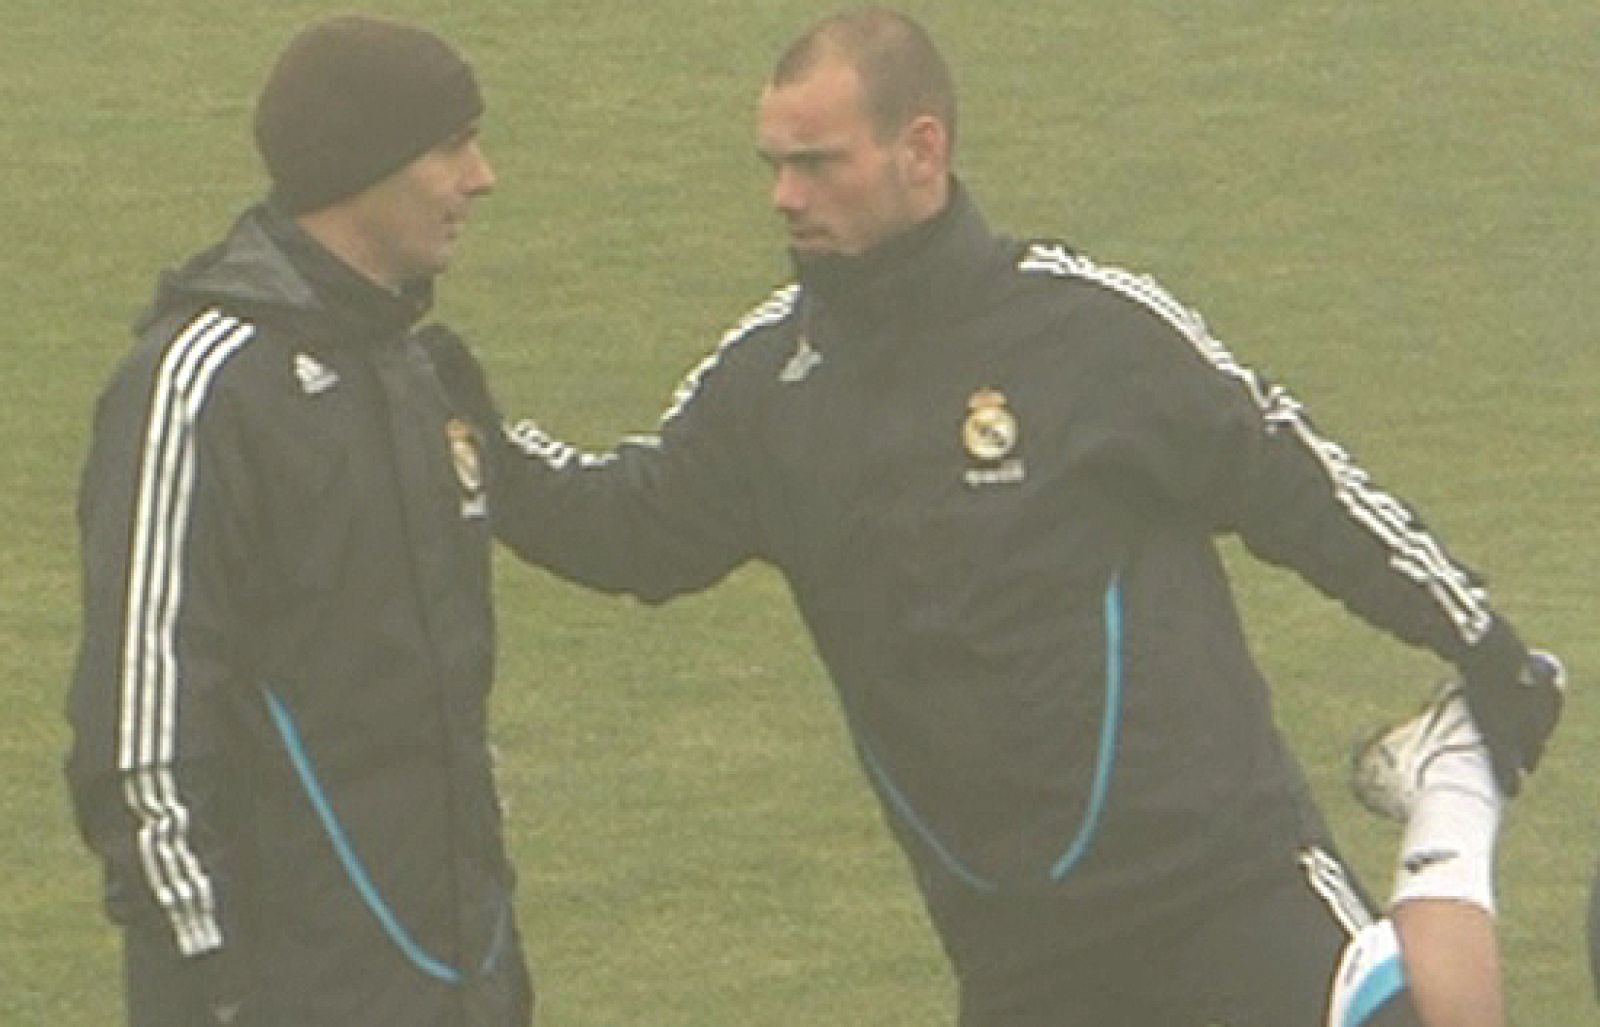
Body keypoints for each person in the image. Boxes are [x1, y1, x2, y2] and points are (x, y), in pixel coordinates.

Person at [427, 8, 1563, 1023]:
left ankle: (1450, 797)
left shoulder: (1089, 330)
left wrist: (1479, 639)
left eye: (816, 164)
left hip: (1224, 889)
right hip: (1018, 959)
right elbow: (635, 529)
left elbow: (1301, 486)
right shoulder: (770, 384)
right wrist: (480, 439)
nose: (784, 196)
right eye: (773, 165)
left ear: (922, 149)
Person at [65, 15, 531, 1026]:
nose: (481, 176)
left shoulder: (415, 369)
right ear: (364, 164)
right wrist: (211, 979)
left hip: (455, 972)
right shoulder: (199, 387)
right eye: (452, 145)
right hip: (283, 988)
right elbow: (138, 732)